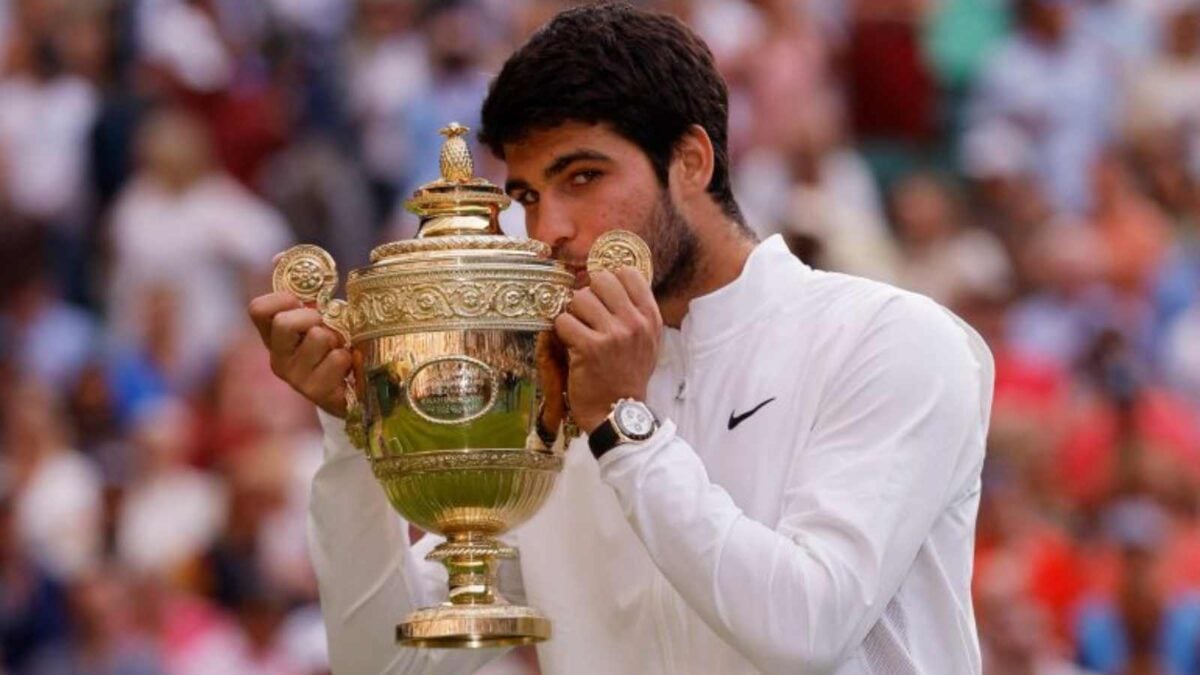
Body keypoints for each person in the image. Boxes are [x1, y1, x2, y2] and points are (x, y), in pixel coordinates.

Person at [248, 3, 994, 673]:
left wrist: (624, 428)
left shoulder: (892, 340)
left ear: (692, 161)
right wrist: (353, 432)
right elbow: (382, 663)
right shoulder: (550, 397)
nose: (549, 230)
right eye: (528, 196)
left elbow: (806, 629)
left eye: (583, 176)